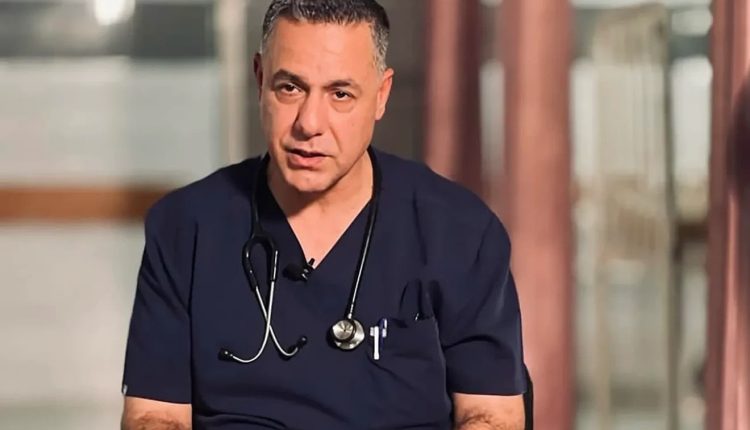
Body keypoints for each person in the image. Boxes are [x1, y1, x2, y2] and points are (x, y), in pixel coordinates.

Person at [121, 0, 527, 428]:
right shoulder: (185, 229)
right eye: (290, 88)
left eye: (340, 94)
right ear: (259, 80)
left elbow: (491, 413)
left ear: (381, 95)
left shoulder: (460, 232)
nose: (309, 123)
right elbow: (154, 414)